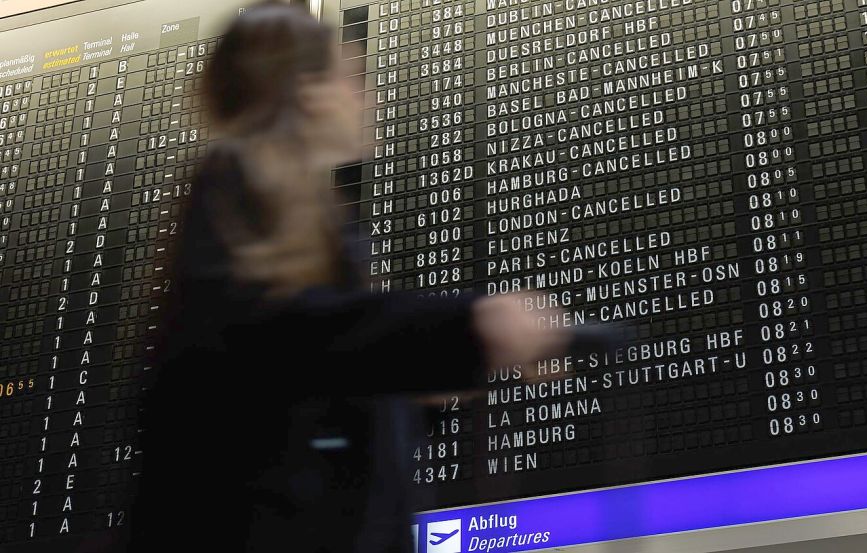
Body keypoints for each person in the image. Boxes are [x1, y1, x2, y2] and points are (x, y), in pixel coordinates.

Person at [124, 3, 577, 552]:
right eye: (353, 77)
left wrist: (422, 390)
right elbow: (284, 339)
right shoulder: (232, 183)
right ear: (308, 90)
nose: (369, 97)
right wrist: (467, 326)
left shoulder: (316, 226)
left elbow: (319, 385)